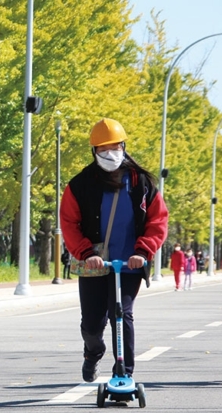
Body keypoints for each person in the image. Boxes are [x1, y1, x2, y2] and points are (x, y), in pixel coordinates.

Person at [60, 118, 168, 382]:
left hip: (130, 262)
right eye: (103, 148)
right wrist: (87, 253)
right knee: (92, 323)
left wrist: (142, 253)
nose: (110, 153)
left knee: (123, 314)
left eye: (115, 146)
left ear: (124, 146)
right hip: (95, 263)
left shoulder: (142, 183)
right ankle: (92, 352)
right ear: (94, 151)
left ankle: (124, 374)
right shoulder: (80, 184)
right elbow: (69, 223)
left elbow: (157, 221)